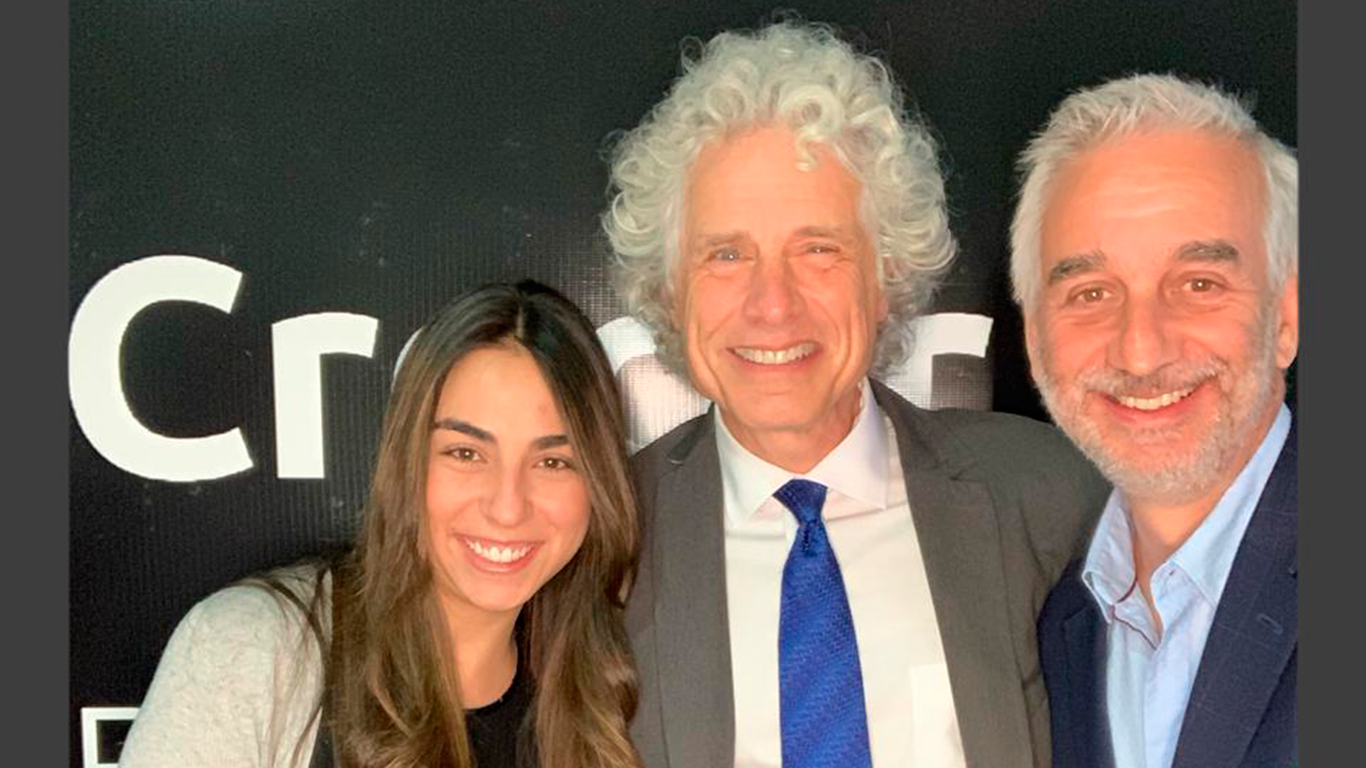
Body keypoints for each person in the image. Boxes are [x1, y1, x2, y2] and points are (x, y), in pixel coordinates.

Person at [602, 20, 1109, 768]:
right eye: (726, 254)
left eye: (818, 249)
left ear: (887, 276)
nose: (772, 303)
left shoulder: (1052, 499)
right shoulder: (607, 542)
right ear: (670, 289)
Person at [119, 281, 644, 768]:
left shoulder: (600, 691)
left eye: (553, 462)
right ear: (406, 460)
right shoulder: (252, 652)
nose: (508, 507)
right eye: (465, 452)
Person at [1010, 74, 1298, 768]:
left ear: (1287, 317)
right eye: (1091, 292)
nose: (1141, 350)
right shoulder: (1065, 626)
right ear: (1033, 338)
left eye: (1199, 284)